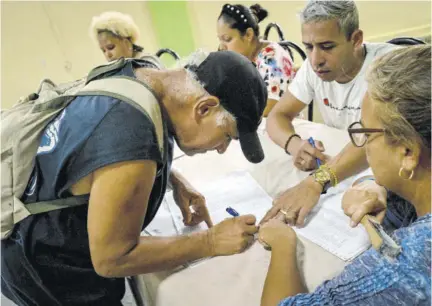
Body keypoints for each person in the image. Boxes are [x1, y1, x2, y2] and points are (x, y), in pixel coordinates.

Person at [1, 50, 267, 305]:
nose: (221, 149)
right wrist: (211, 241)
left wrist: (173, 179)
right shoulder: (132, 134)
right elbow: (112, 258)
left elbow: (100, 151)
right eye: (227, 136)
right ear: (205, 108)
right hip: (47, 263)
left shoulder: (143, 73)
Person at [259, 45, 431, 306]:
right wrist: (374, 185)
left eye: (367, 134)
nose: (360, 144)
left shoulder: (406, 268)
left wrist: (283, 243)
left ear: (408, 152)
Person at [262, 0, 399, 226]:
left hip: (382, 173)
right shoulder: (311, 68)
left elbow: (374, 138)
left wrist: (317, 181)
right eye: (308, 47)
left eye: (327, 47)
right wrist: (296, 146)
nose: (315, 60)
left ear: (356, 39)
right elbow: (277, 116)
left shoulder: (387, 67)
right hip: (345, 169)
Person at [217, 3, 295, 117]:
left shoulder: (272, 57)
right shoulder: (242, 59)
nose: (222, 47)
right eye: (220, 40)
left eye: (227, 39)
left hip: (281, 125)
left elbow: (270, 107)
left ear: (248, 35)